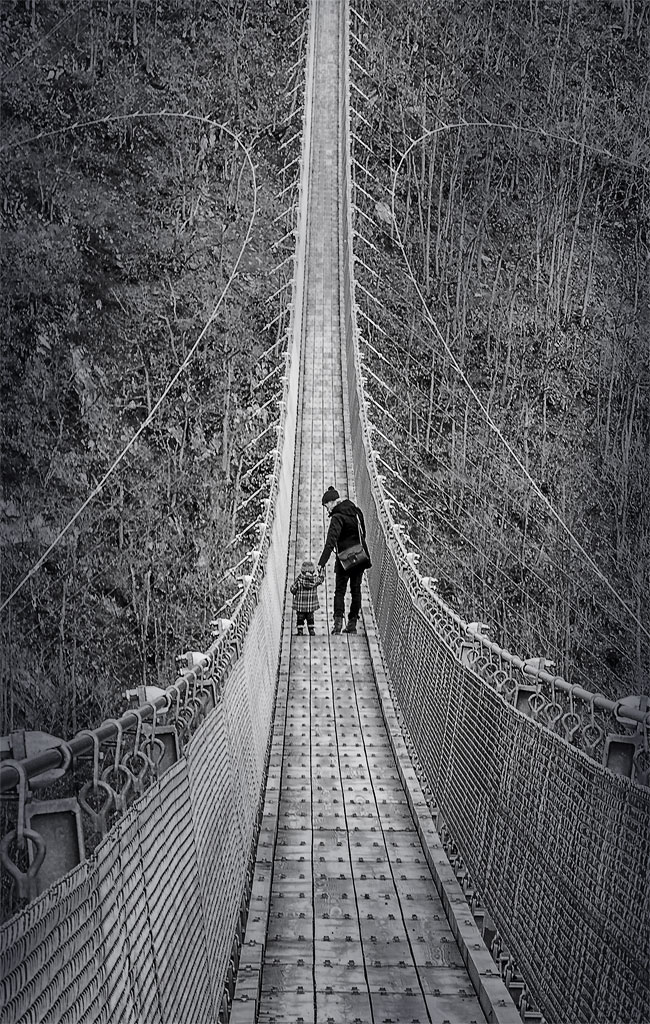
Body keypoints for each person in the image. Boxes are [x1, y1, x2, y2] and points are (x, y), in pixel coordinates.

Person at [317, 486, 371, 634]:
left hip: (344, 560)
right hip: (359, 557)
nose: (326, 509)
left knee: (339, 591)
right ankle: (352, 624)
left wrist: (321, 563)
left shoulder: (337, 517)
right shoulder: (356, 511)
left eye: (326, 505)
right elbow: (363, 533)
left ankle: (338, 625)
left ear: (331, 502)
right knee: (356, 590)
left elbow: (330, 543)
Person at [290, 559, 325, 635]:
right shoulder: (315, 580)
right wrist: (321, 572)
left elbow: (292, 589)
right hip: (310, 606)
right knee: (310, 617)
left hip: (300, 605)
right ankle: (311, 630)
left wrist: (295, 592)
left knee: (300, 617)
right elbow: (321, 579)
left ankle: (300, 631)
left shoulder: (299, 579)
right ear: (313, 571)